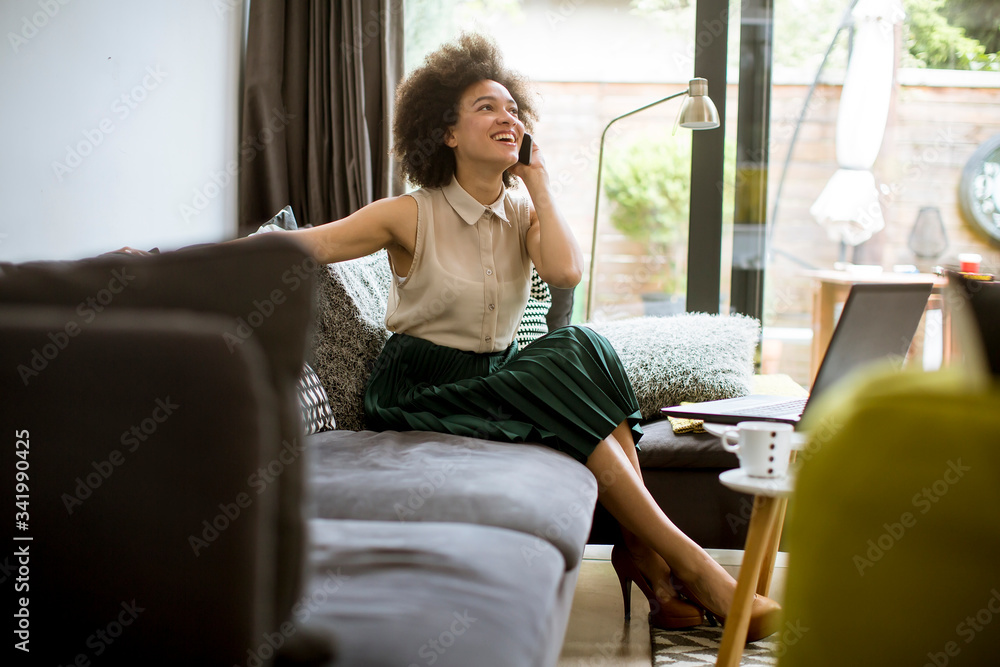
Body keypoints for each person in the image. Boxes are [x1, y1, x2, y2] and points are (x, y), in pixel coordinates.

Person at [120, 33, 780, 639]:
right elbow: (297, 246)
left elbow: (564, 272)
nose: (508, 118)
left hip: (492, 374)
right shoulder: (409, 213)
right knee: (563, 374)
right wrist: (167, 258)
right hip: (421, 383)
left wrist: (541, 185)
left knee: (583, 347)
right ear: (447, 133)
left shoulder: (523, 210)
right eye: (486, 108)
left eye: (513, 110)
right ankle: (691, 567)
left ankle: (646, 555)